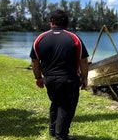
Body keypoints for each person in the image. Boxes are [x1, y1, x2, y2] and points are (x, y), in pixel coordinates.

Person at [30, 9, 89, 140]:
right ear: (66, 23)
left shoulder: (40, 38)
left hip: (49, 80)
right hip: (69, 80)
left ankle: (53, 131)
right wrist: (85, 78)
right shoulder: (74, 38)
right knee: (66, 107)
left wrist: (38, 77)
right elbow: (83, 61)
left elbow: (34, 60)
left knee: (56, 102)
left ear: (51, 22)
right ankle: (61, 136)